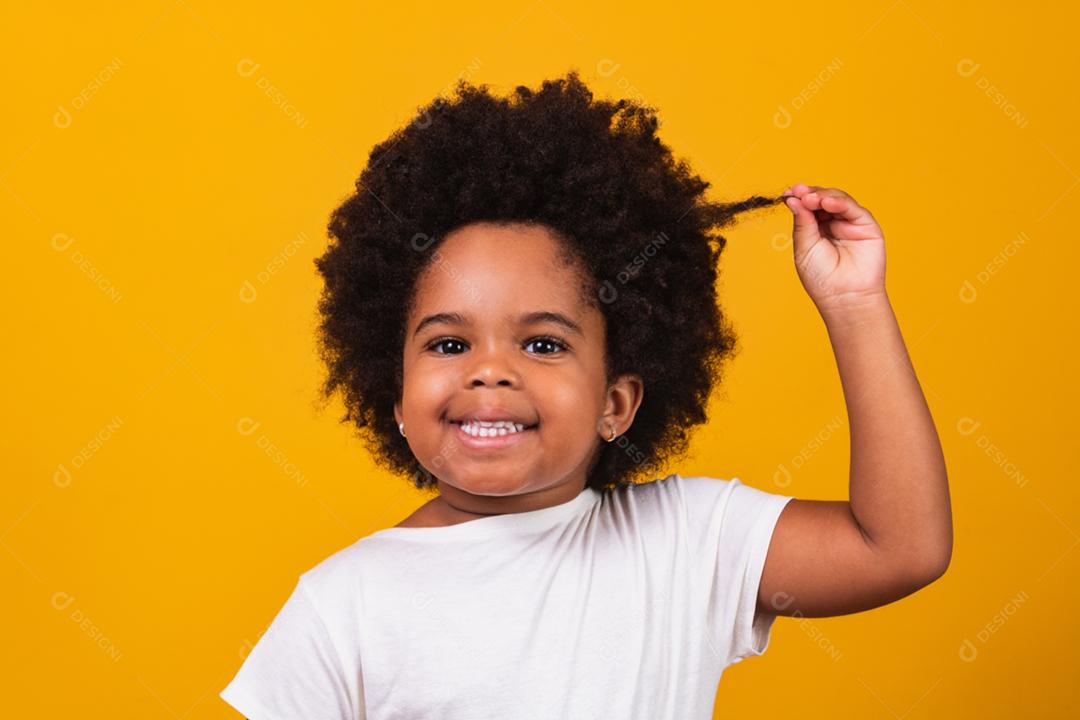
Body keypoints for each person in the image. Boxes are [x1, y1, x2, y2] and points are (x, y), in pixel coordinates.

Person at [220, 70, 952, 719]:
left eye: (542, 343)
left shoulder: (684, 544)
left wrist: (855, 307)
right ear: (395, 398)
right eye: (449, 343)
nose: (490, 371)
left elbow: (899, 549)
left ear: (617, 405)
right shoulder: (343, 606)